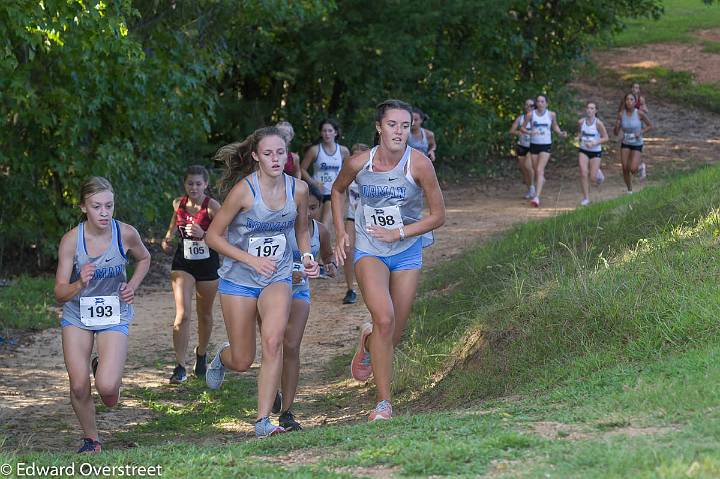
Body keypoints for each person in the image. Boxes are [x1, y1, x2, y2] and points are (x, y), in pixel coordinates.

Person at [331, 99, 445, 421]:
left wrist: (401, 233)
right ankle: (383, 404)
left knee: (392, 333)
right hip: (370, 248)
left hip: (407, 249)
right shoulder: (358, 164)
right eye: (392, 124)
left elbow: (439, 216)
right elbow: (337, 192)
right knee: (384, 318)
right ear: (379, 127)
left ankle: (367, 344)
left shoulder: (419, 164)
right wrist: (342, 233)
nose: (399, 131)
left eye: (405, 126)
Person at [204, 127, 319, 438]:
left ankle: (262, 422)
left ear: (288, 155)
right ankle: (222, 357)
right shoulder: (244, 191)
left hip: (277, 276)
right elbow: (212, 236)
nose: (275, 159)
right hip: (239, 279)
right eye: (268, 153)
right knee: (243, 360)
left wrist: (307, 257)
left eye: (280, 153)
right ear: (255, 156)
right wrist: (250, 259)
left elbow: (302, 231)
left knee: (273, 341)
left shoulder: (298, 190)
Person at [54, 176, 150, 453]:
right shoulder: (72, 241)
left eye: (109, 206)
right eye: (97, 207)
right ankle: (91, 439)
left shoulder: (125, 233)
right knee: (79, 385)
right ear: (84, 207)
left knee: (108, 392)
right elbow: (60, 293)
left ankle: (104, 373)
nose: (104, 213)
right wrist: (79, 283)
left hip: (114, 314)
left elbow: (144, 258)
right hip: (77, 316)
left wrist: (131, 286)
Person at [273, 184, 336, 431]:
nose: (307, 213)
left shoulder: (320, 231)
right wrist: (288, 273)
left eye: (312, 208)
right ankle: (273, 389)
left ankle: (287, 411)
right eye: (303, 207)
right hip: (273, 290)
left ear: (320, 208)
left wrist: (330, 266)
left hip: (300, 292)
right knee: (274, 344)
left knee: (291, 345)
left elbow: (328, 258)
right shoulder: (282, 228)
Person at [161, 165, 221, 384]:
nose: (194, 187)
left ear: (206, 184)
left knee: (204, 314)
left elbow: (225, 236)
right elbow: (172, 229)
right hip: (183, 263)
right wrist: (167, 240)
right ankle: (179, 366)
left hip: (207, 265)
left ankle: (201, 353)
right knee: (183, 314)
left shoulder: (212, 206)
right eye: (190, 183)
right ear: (184, 184)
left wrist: (204, 234)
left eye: (198, 183)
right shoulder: (178, 203)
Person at [521, 95, 568, 207]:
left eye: (542, 101)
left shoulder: (551, 114)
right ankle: (541, 180)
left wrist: (561, 133)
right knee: (536, 170)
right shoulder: (530, 115)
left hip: (545, 145)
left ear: (547, 103)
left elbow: (555, 126)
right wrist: (530, 132)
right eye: (538, 101)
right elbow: (522, 128)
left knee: (539, 170)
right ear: (536, 103)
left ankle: (536, 198)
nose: (540, 103)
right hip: (534, 145)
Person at [300, 119, 350, 226]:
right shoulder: (315, 150)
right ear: (321, 133)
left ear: (335, 133)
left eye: (330, 131)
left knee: (325, 225)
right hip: (317, 192)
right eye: (324, 131)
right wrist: (313, 183)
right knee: (315, 225)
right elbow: (302, 169)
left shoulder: (343, 151)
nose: (327, 134)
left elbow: (348, 171)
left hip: (334, 192)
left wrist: (345, 189)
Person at [341, 143, 370, 305]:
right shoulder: (347, 173)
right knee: (348, 250)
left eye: (361, 156)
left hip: (370, 219)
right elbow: (340, 194)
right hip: (352, 217)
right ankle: (350, 289)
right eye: (355, 156)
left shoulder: (374, 173)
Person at [613, 93, 653, 194]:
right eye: (627, 99)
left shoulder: (639, 113)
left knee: (632, 168)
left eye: (631, 100)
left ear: (635, 102)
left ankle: (640, 167)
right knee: (625, 167)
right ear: (625, 101)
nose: (629, 101)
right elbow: (615, 133)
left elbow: (650, 125)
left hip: (637, 143)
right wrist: (617, 126)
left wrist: (641, 132)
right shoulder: (621, 114)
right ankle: (629, 190)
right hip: (626, 142)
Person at [576, 102, 609, 206]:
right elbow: (580, 133)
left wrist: (594, 142)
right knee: (583, 172)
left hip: (595, 151)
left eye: (592, 108)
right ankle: (586, 198)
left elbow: (606, 138)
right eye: (588, 108)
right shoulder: (581, 122)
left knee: (593, 177)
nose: (589, 110)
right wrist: (578, 138)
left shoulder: (598, 123)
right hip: (583, 150)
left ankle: (598, 174)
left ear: (596, 111)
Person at [509, 99, 535, 199]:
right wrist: (519, 133)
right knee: (523, 169)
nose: (529, 107)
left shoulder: (537, 119)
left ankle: (532, 187)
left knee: (528, 166)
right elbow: (511, 131)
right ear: (525, 106)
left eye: (531, 105)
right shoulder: (520, 118)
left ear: (534, 107)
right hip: (522, 145)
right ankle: (529, 190)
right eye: (527, 105)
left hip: (532, 146)